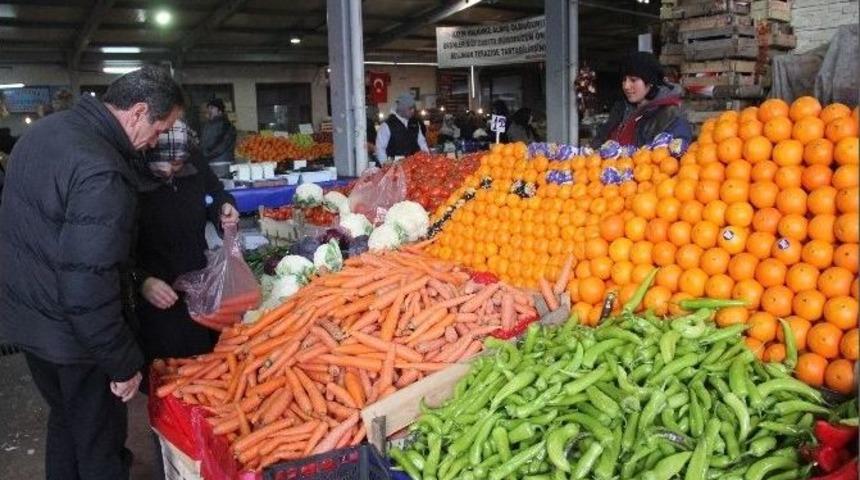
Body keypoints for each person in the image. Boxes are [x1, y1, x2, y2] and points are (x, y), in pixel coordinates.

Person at [0, 65, 184, 480]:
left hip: (31, 323)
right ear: (138, 111)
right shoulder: (102, 169)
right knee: (100, 446)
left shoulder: (44, 133)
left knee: (66, 423)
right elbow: (88, 284)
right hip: (76, 337)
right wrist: (121, 361)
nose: (155, 141)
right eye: (159, 128)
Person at [133, 119, 239, 379]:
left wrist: (222, 209)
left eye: (178, 164)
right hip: (157, 289)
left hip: (198, 278)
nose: (171, 170)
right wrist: (141, 280)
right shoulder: (128, 176)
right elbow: (113, 248)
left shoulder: (194, 161)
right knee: (168, 372)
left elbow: (215, 192)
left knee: (208, 362)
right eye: (164, 165)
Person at [592, 51, 692, 148]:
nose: (626, 86)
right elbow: (599, 142)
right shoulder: (621, 110)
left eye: (633, 80)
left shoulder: (671, 116)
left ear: (650, 82)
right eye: (624, 80)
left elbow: (674, 154)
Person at [374, 93, 429, 164]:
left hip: (413, 166)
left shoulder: (415, 123)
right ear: (401, 108)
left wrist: (427, 158)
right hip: (394, 166)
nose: (413, 111)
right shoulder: (386, 125)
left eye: (413, 108)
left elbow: (421, 142)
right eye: (410, 108)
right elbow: (380, 148)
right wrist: (385, 165)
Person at [201, 97, 236, 164]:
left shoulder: (224, 125)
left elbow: (219, 145)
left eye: (212, 108)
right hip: (215, 162)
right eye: (208, 108)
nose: (209, 110)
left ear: (220, 111)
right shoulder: (209, 125)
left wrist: (205, 154)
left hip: (221, 162)